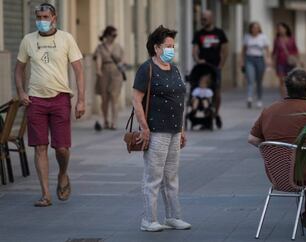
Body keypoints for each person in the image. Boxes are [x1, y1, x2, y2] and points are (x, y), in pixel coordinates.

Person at [248, 69, 306, 233]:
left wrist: (274, 150)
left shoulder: (269, 110)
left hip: (277, 176)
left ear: (286, 87)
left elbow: (252, 139)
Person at [14, 3, 85, 207]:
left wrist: (81, 100)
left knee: (62, 148)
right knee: (40, 147)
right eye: (38, 17)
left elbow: (79, 70)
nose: (41, 21)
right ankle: (45, 194)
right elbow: (18, 69)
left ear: (54, 18)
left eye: (45, 17)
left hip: (60, 98)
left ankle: (63, 173)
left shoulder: (66, 38)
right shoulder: (28, 40)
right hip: (35, 100)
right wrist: (21, 92)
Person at [132, 25, 191, 232]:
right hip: (156, 131)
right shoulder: (147, 69)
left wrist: (182, 129)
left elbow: (179, 100)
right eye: (168, 46)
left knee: (171, 176)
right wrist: (144, 128)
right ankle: (149, 219)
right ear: (157, 48)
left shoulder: (173, 68)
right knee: (153, 177)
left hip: (174, 130)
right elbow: (136, 100)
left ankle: (173, 217)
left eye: (173, 46)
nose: (171, 50)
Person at [192, 10, 228, 129]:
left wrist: (221, 66)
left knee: (217, 92)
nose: (203, 21)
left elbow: (224, 50)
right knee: (201, 89)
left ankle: (216, 113)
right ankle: (205, 113)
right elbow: (195, 50)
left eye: (205, 19)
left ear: (212, 18)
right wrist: (197, 60)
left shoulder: (219, 33)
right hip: (202, 67)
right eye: (202, 18)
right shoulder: (198, 34)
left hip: (215, 67)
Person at [94, 26, 125, 130]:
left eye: (116, 35)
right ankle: (106, 120)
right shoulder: (100, 47)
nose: (114, 37)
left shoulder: (118, 47)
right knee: (104, 99)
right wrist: (98, 70)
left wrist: (120, 62)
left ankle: (114, 122)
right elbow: (98, 59)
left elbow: (123, 60)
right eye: (113, 35)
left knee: (114, 97)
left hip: (116, 73)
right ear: (107, 35)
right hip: (104, 72)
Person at [241, 22, 271, 108]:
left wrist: (268, 59)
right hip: (249, 59)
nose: (255, 29)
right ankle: (249, 98)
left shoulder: (263, 37)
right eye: (253, 28)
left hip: (260, 59)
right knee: (250, 79)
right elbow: (243, 49)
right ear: (251, 29)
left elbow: (267, 48)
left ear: (259, 29)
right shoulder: (247, 36)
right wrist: (242, 61)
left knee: (259, 81)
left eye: (257, 28)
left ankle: (259, 99)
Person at [272, 22, 299, 98]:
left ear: (286, 29)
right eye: (279, 29)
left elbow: (295, 50)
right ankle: (283, 98)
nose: (280, 30)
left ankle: (290, 95)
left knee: (291, 80)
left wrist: (298, 60)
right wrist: (273, 62)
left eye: (282, 28)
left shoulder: (291, 39)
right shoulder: (277, 40)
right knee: (281, 80)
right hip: (280, 62)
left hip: (290, 62)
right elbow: (274, 51)